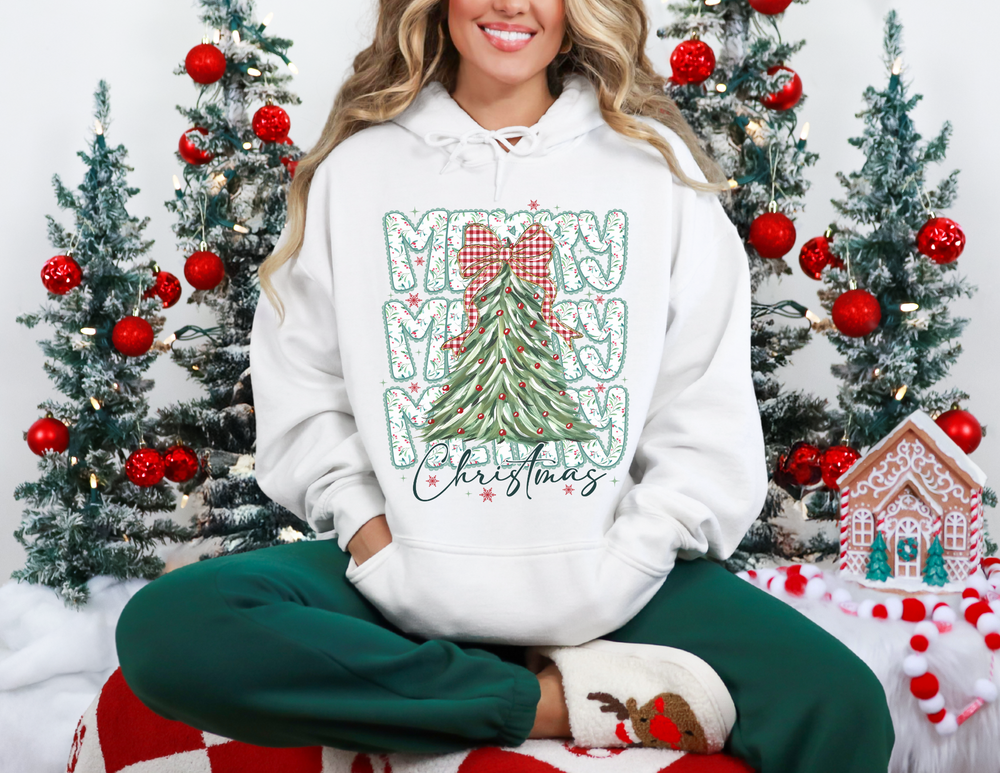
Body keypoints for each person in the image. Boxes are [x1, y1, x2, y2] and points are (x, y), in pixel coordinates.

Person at [115, 0, 895, 770]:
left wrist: (629, 559)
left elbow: (701, 403)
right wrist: (372, 538)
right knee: (172, 629)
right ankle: (557, 702)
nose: (511, 4)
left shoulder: (655, 168)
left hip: (615, 579)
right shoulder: (358, 168)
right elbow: (305, 385)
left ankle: (473, 691)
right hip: (402, 578)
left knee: (839, 705)